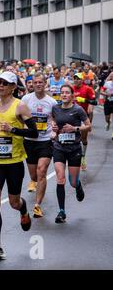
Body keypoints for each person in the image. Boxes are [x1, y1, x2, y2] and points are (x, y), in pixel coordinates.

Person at [0, 71, 38, 261]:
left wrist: (13, 129)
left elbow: (34, 133)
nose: (1, 85)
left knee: (13, 202)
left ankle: (23, 208)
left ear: (13, 87)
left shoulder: (20, 107)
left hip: (14, 162)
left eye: (6, 83)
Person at [51, 84, 91, 223]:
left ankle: (78, 186)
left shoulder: (78, 109)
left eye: (67, 93)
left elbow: (88, 126)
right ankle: (61, 211)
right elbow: (53, 121)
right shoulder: (55, 108)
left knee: (73, 182)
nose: (64, 95)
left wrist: (75, 128)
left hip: (74, 149)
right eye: (62, 93)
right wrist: (53, 126)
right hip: (59, 147)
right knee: (60, 178)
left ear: (72, 95)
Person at [21, 73, 58, 217]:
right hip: (29, 141)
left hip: (45, 141)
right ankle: (35, 183)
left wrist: (55, 130)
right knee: (34, 175)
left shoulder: (52, 102)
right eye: (35, 82)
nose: (38, 84)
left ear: (45, 84)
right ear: (32, 84)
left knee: (41, 171)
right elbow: (19, 117)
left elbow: (55, 120)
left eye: (40, 82)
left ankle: (37, 205)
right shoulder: (26, 99)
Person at [73, 73, 96, 171]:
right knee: (72, 138)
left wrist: (84, 100)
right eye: (74, 78)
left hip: (83, 117)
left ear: (82, 80)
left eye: (78, 79)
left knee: (83, 139)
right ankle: (73, 158)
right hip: (72, 116)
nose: (76, 80)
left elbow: (94, 102)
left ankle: (83, 157)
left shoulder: (87, 89)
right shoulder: (71, 88)